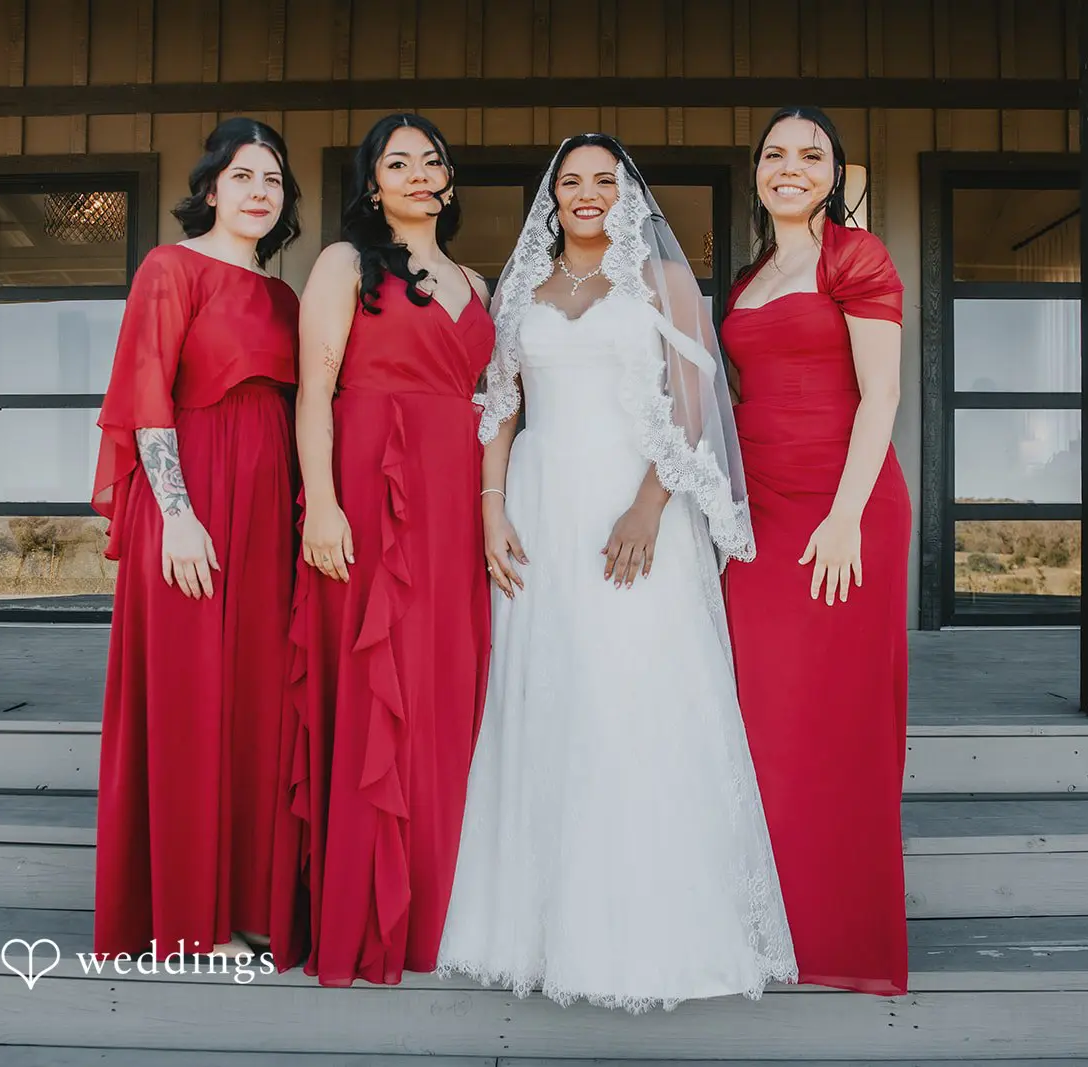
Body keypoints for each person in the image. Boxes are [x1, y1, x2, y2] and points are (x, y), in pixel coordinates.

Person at [434, 134, 796, 1013]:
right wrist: (490, 505)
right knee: (546, 696)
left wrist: (648, 504)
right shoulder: (520, 287)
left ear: (628, 195)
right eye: (571, 182)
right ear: (550, 197)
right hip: (539, 511)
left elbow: (695, 403)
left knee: (631, 696)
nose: (587, 194)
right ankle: (533, 924)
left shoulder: (663, 282)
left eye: (605, 180)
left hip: (635, 511)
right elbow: (502, 407)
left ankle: (648, 929)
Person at [276, 113, 495, 986]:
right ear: (372, 184)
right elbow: (314, 392)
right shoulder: (343, 264)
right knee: (379, 684)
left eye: (429, 160)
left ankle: (446, 905)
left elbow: (494, 400)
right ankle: (369, 917)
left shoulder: (478, 279)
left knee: (445, 682)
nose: (414, 172)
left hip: (454, 495)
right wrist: (321, 505)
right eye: (393, 162)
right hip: (368, 486)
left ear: (448, 181)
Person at [92, 117, 303, 959]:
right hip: (191, 508)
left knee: (256, 706)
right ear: (212, 187)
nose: (259, 192)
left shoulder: (286, 298)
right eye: (244, 176)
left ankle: (247, 903)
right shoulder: (169, 268)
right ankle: (187, 918)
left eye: (274, 181)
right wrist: (177, 511)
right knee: (189, 705)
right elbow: (148, 391)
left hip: (267, 515)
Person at [721, 106, 912, 997]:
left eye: (810, 155)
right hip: (757, 514)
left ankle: (841, 936)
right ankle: (767, 923)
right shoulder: (751, 276)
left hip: (842, 513)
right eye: (774, 154)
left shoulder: (855, 258)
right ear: (756, 171)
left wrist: (845, 515)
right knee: (763, 717)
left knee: (837, 722)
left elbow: (880, 398)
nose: (789, 168)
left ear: (834, 173)